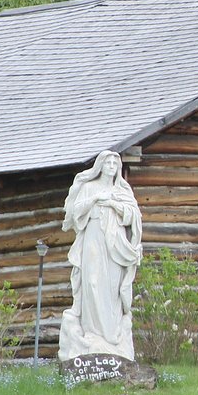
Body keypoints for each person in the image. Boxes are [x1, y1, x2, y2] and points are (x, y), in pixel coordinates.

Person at [58, 150, 143, 360]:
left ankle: (111, 336)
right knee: (93, 282)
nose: (112, 165)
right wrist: (96, 198)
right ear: (101, 165)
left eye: (116, 162)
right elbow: (76, 212)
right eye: (108, 162)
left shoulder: (122, 190)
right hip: (93, 237)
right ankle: (93, 334)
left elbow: (134, 216)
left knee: (111, 286)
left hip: (115, 240)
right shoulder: (89, 187)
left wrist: (114, 204)